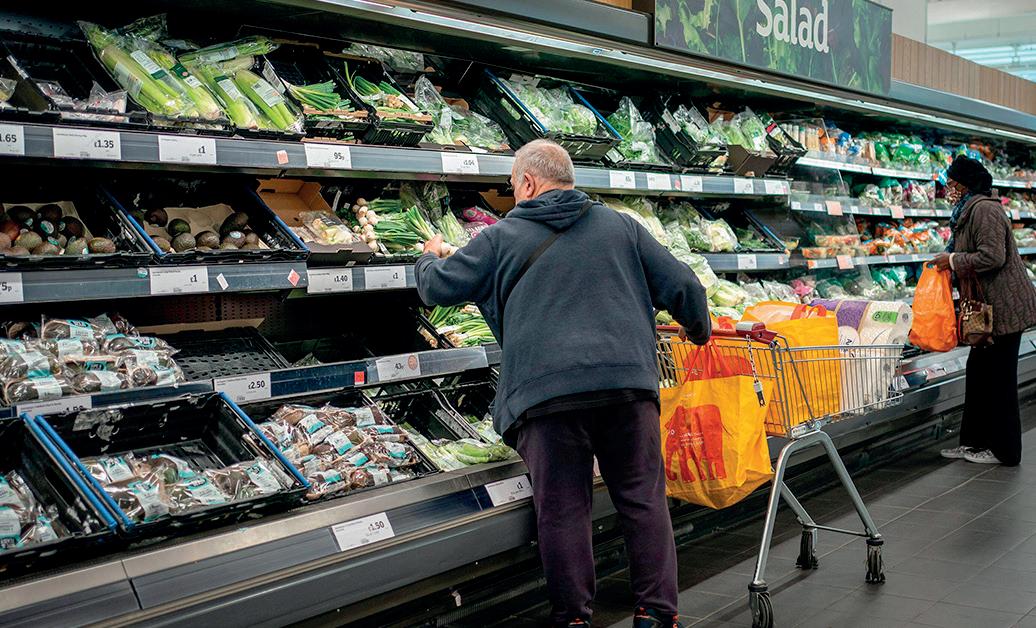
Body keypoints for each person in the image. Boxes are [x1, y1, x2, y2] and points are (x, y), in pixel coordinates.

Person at [415, 139, 711, 628]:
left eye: (513, 185)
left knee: (563, 509)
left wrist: (428, 257)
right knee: (642, 498)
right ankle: (657, 614)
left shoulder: (500, 237)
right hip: (626, 387)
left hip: (546, 396)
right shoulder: (622, 227)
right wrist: (697, 330)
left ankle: (573, 617)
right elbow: (684, 285)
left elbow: (436, 287)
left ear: (529, 183)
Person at [934, 155, 1036, 466]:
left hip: (1003, 307)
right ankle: (972, 442)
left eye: (952, 183)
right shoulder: (966, 210)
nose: (948, 189)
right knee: (978, 374)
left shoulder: (985, 210)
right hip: (981, 307)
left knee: (1000, 379)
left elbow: (993, 256)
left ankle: (1005, 451)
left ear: (965, 185)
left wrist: (952, 262)